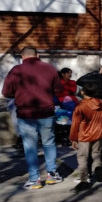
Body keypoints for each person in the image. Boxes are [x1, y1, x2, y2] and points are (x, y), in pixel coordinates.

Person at [2, 47, 64, 189]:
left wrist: (18, 95)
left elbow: (6, 92)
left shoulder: (16, 70)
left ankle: (34, 179)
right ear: (38, 55)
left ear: (22, 56)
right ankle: (52, 174)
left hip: (25, 114)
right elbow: (59, 90)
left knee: (30, 147)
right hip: (46, 112)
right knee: (49, 143)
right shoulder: (49, 68)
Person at [69, 82, 102, 192]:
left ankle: (84, 181)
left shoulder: (81, 107)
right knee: (96, 154)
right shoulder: (100, 103)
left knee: (82, 158)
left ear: (83, 92)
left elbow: (75, 124)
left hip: (84, 135)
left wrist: (73, 138)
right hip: (98, 133)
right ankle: (97, 168)